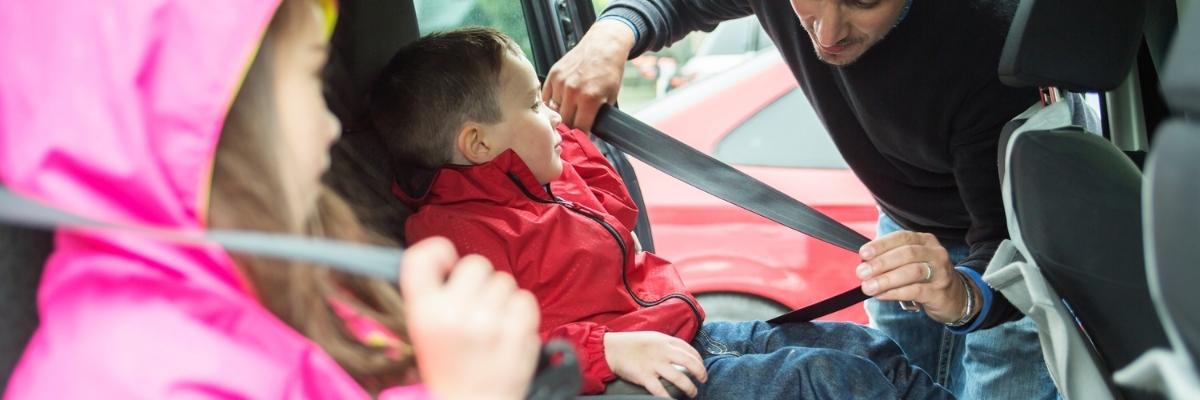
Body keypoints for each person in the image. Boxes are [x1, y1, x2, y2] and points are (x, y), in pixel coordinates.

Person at [369, 27, 952, 399]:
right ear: (478, 144)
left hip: (689, 331)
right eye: (530, 104)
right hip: (635, 370)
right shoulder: (454, 235)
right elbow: (495, 345)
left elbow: (616, 215)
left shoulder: (544, 183)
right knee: (830, 381)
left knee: (867, 350)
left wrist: (567, 142)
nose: (548, 115)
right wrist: (607, 351)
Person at [0, 1, 541, 399]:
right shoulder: (121, 376)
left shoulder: (265, 293)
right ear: (216, 113)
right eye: (312, 77)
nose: (333, 125)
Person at [540, 1, 1057, 398]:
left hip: (999, 254)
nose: (828, 33)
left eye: (862, 2)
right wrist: (613, 31)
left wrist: (962, 296)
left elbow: (1007, 244)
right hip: (900, 235)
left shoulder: (989, 43)